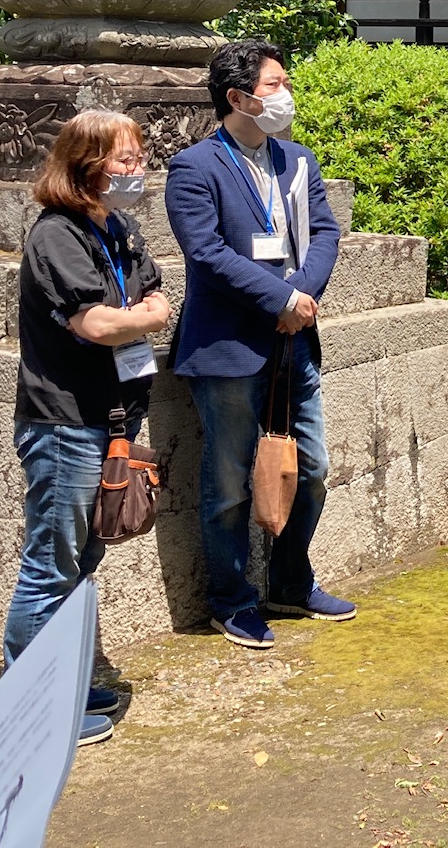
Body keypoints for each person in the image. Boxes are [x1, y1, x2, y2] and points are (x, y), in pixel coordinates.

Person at [166, 39, 351, 650]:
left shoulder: (297, 160)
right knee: (229, 483)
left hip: (296, 340)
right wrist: (279, 300)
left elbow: (324, 232)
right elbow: (206, 253)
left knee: (313, 468)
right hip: (229, 346)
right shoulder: (195, 167)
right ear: (238, 97)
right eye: (276, 84)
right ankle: (231, 600)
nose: (286, 94)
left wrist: (300, 296)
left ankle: (291, 581)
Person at [5, 110, 171, 747]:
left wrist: (138, 313)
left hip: (115, 417)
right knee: (51, 565)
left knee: (82, 562)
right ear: (85, 165)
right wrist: (143, 316)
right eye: (124, 160)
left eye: (139, 157)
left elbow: (155, 295)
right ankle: (33, 707)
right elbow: (97, 324)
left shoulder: (118, 227)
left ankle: (66, 682)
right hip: (65, 424)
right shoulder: (56, 235)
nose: (137, 170)